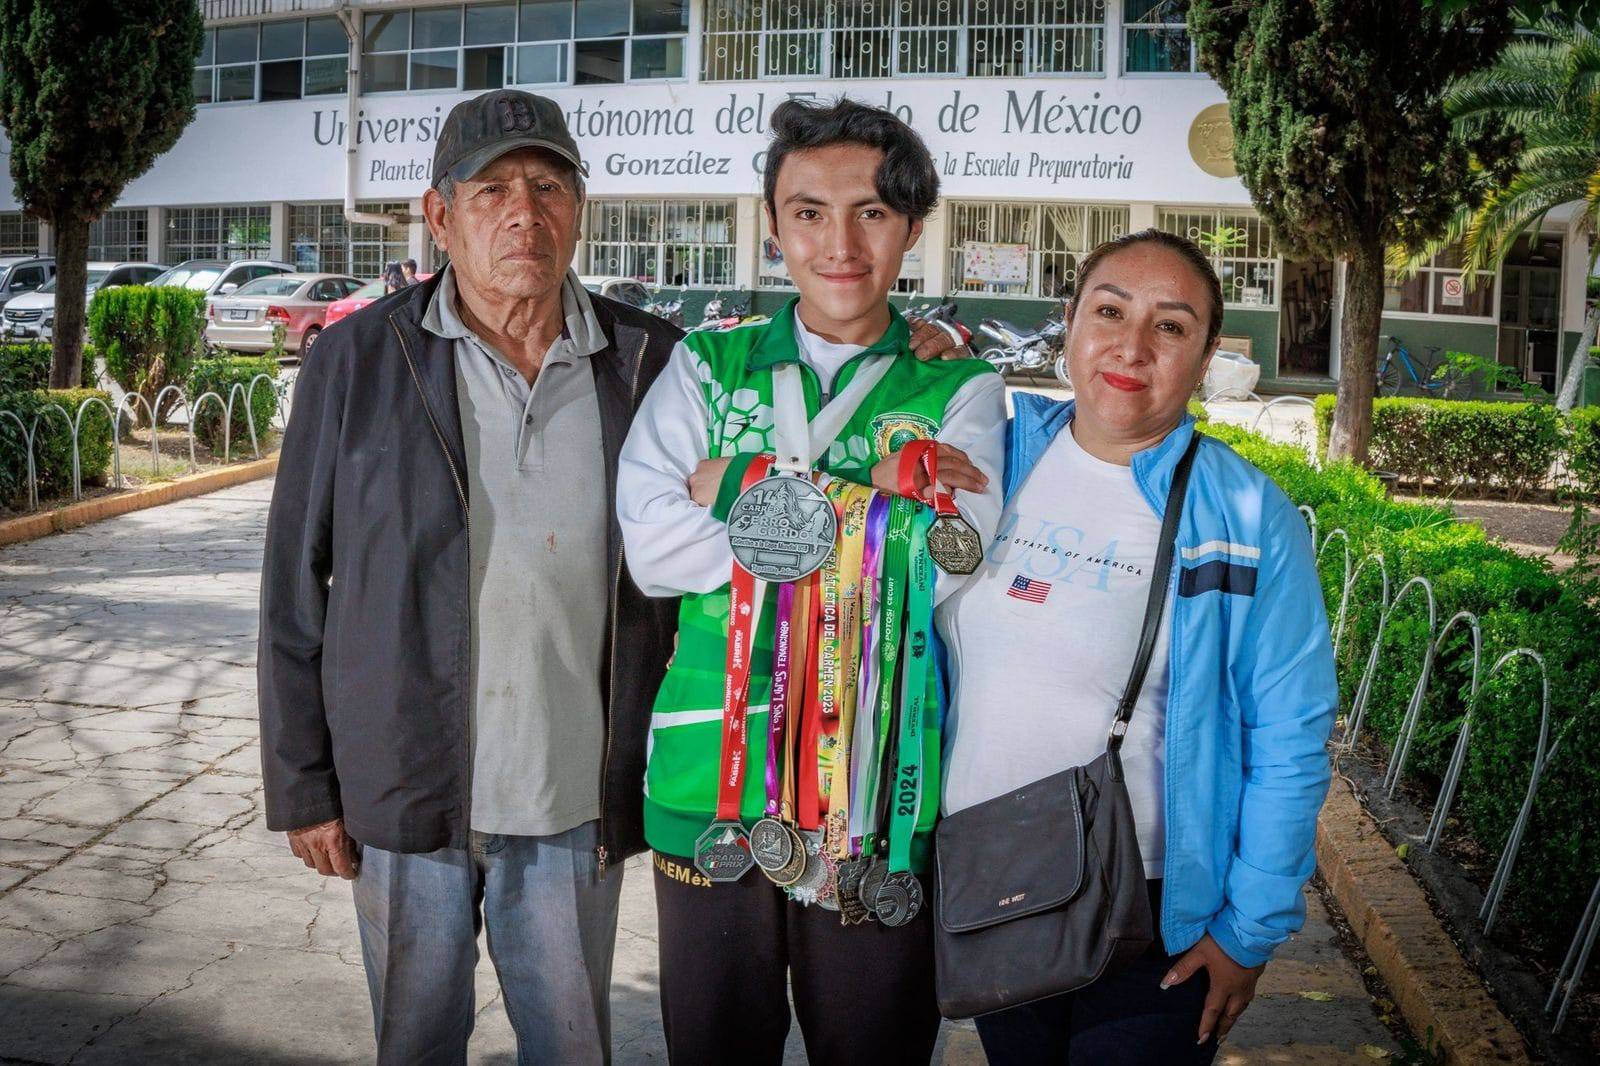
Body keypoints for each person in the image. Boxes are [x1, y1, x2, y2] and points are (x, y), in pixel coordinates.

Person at [257, 89, 681, 1065]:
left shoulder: (651, 362)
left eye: (546, 185)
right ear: (439, 216)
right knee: (414, 1044)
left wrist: (902, 335)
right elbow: (293, 585)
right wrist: (304, 783)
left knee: (574, 1049)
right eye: (490, 190)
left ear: (579, 206)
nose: (522, 212)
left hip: (577, 796)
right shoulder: (359, 360)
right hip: (406, 797)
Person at [616, 98, 1005, 1064]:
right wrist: (869, 502)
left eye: (872, 212)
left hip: (878, 794)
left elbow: (940, 567)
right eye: (807, 212)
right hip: (706, 779)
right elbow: (652, 551)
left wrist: (742, 485)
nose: (839, 243)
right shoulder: (708, 366)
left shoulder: (959, 391)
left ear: (913, 227)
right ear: (775, 223)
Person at [934, 228, 1338, 1064]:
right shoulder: (995, 456)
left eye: (1172, 325)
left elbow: (1291, 736)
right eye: (1109, 310)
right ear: (1069, 325)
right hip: (996, 879)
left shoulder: (1248, 518)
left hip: (1152, 915)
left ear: (1202, 361)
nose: (1132, 345)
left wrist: (1248, 933)